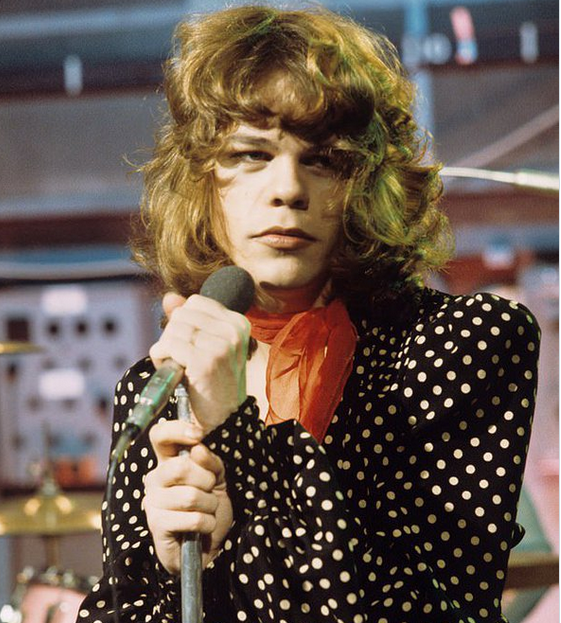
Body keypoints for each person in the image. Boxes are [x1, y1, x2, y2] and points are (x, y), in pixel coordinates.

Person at [77, 5, 540, 622]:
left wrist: (232, 433)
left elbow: (419, 608)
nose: (288, 189)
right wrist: (171, 570)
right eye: (251, 154)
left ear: (365, 183)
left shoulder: (461, 343)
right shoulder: (157, 382)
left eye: (323, 160)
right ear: (201, 182)